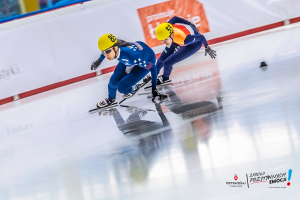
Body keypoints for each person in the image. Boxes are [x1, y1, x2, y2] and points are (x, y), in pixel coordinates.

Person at [90, 34, 165, 109]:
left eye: (108, 51)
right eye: (103, 52)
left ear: (116, 48)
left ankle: (137, 85)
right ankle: (111, 99)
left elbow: (153, 67)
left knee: (122, 88)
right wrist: (98, 61)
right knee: (112, 83)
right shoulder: (115, 49)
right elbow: (105, 49)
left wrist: (154, 90)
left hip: (148, 58)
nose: (106, 55)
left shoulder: (131, 56)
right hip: (135, 54)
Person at [145, 16, 217, 89]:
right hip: (175, 39)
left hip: (193, 45)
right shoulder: (168, 27)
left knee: (167, 62)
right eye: (162, 40)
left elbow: (201, 37)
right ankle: (154, 74)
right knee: (161, 59)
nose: (164, 42)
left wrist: (207, 47)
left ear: (171, 35)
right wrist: (189, 23)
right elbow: (175, 18)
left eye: (165, 39)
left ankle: (165, 79)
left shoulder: (186, 39)